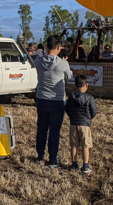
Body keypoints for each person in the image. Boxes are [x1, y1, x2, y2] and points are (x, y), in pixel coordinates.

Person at [34, 35, 73, 167]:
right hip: (57, 101)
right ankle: (53, 158)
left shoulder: (38, 61)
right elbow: (69, 76)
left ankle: (40, 156)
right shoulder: (63, 64)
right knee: (55, 131)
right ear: (58, 47)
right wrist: (64, 62)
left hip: (41, 100)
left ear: (47, 45)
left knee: (41, 129)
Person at [65, 75, 97, 173]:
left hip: (74, 124)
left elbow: (67, 109)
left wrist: (72, 117)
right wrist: (88, 118)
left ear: (75, 85)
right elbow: (94, 112)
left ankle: (74, 164)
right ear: (86, 85)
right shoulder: (90, 98)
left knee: (74, 145)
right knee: (85, 146)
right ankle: (86, 165)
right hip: (85, 125)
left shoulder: (71, 97)